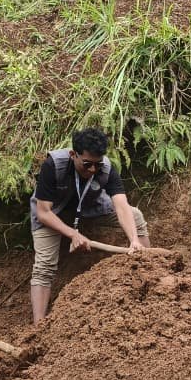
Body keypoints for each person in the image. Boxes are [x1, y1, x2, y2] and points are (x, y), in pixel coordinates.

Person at [28, 128, 150, 324]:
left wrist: (133, 240)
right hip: (54, 214)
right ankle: (38, 325)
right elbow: (43, 212)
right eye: (87, 164)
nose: (93, 170)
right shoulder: (54, 165)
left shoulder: (106, 168)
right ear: (73, 154)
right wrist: (73, 234)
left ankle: (150, 269)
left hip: (89, 207)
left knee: (136, 216)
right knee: (44, 265)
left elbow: (121, 204)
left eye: (97, 164)